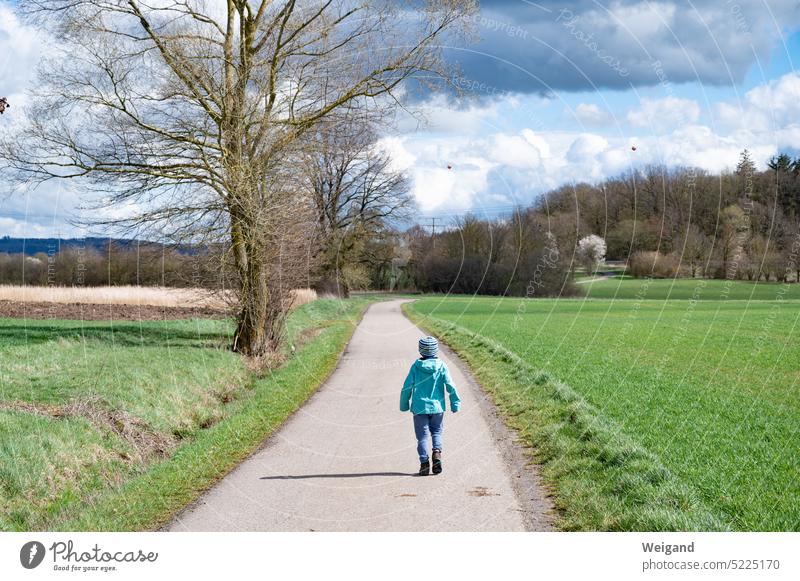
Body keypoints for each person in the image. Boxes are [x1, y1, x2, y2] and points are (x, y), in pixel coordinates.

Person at [400, 336, 461, 476]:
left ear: (420, 350)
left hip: (419, 408)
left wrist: (404, 404)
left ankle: (424, 463)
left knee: (422, 437)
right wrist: (455, 403)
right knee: (437, 432)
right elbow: (451, 385)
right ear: (436, 350)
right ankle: (437, 453)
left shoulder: (416, 366)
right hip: (437, 408)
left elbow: (407, 387)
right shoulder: (442, 366)